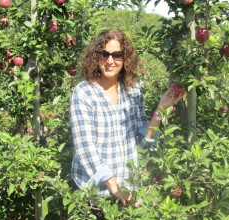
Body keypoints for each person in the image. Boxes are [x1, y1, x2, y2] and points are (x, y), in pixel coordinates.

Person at [69, 29, 185, 207]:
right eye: (104, 54)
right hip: (95, 193)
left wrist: (161, 109)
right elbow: (85, 147)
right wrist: (112, 184)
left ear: (125, 59)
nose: (110, 61)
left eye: (117, 55)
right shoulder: (84, 93)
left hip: (128, 190)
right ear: (95, 56)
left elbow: (144, 140)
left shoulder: (133, 91)